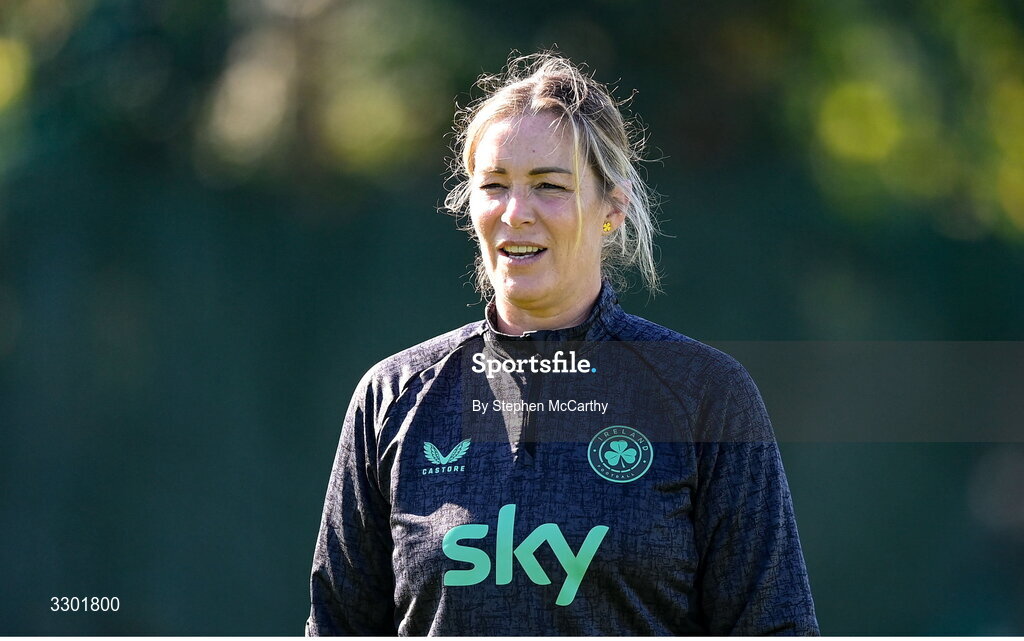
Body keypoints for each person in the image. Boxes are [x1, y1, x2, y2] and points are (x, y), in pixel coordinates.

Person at [306, 53, 819, 636]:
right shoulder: (392, 397)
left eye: (549, 186)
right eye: (494, 186)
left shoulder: (705, 394)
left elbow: (774, 626)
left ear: (612, 209)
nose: (515, 213)